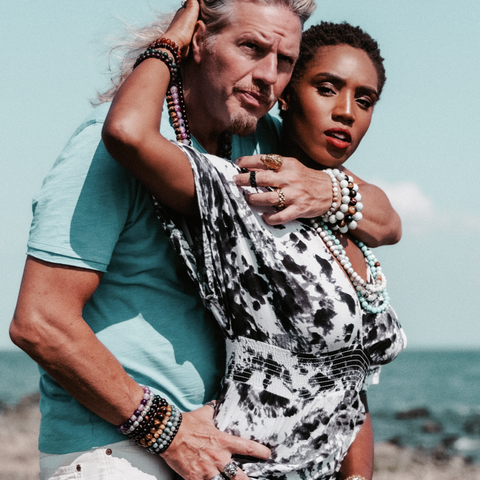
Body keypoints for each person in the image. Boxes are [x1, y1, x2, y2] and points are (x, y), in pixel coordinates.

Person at [10, 0, 401, 479]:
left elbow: (385, 223)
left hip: (218, 453)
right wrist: (167, 431)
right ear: (197, 40)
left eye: (284, 61)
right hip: (115, 452)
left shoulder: (262, 143)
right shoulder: (104, 148)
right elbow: (40, 322)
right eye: (251, 48)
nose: (267, 75)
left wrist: (329, 188)